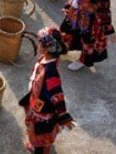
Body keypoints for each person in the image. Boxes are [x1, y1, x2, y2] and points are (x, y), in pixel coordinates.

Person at [19, 26, 75, 154]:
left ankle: (41, 149)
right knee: (38, 129)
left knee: (40, 130)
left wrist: (63, 115)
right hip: (37, 101)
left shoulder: (51, 72)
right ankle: (41, 145)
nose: (37, 43)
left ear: (45, 47)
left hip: (43, 110)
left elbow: (57, 93)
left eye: (39, 41)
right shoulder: (46, 58)